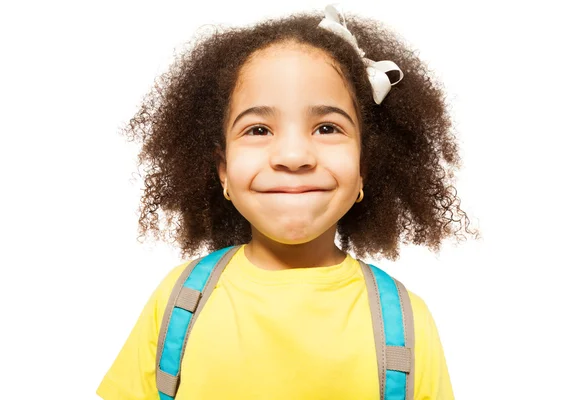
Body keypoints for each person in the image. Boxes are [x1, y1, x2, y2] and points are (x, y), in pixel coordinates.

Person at [97, 4, 478, 399]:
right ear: (223, 168)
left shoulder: (406, 322)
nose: (293, 156)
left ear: (364, 166)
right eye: (259, 129)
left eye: (327, 128)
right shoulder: (177, 302)